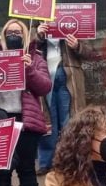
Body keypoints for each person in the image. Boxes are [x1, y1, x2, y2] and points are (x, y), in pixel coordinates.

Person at [0, 19, 52, 186]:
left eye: (18, 32)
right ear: (3, 35)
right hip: (0, 119)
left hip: (26, 120)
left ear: (25, 36)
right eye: (9, 32)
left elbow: (44, 87)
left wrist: (29, 68)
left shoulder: (36, 58)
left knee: (27, 170)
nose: (13, 35)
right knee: (3, 171)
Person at [34, 20, 97, 174]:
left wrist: (77, 45)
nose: (51, 21)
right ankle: (46, 162)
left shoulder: (75, 28)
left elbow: (91, 53)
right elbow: (27, 50)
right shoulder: (35, 30)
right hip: (43, 77)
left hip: (69, 77)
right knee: (47, 121)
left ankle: (71, 159)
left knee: (70, 120)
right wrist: (39, 37)